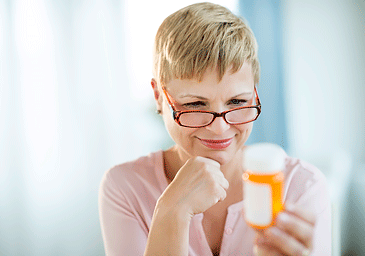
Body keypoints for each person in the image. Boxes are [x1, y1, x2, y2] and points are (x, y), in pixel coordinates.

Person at [98, 2, 331, 255]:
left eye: (237, 102)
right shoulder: (125, 187)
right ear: (157, 96)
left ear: (255, 93)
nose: (220, 129)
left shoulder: (301, 186)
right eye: (195, 105)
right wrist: (172, 211)